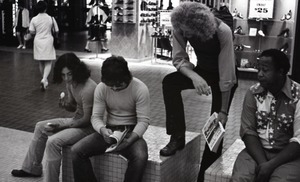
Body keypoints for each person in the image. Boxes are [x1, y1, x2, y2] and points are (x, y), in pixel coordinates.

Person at [157, 2, 237, 182]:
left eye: (188, 32)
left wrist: (223, 111)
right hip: (201, 71)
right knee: (170, 83)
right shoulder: (180, 26)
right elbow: (178, 59)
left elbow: (227, 75)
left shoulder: (222, 31)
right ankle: (177, 137)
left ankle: (204, 176)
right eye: (182, 30)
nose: (184, 34)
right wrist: (194, 76)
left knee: (216, 125)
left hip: (225, 77)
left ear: (200, 26)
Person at [11, 53, 97, 182]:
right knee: (40, 126)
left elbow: (86, 120)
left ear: (77, 70)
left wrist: (62, 126)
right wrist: (65, 105)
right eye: (63, 75)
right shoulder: (71, 83)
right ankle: (32, 168)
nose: (66, 78)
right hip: (76, 120)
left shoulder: (89, 88)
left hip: (89, 127)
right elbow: (74, 107)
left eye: (69, 74)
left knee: (53, 142)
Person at [71, 55, 150, 182]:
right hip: (110, 131)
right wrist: (102, 130)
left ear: (127, 77)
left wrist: (131, 139)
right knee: (76, 151)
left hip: (132, 133)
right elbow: (96, 117)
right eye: (111, 85)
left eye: (118, 85)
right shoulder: (102, 88)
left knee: (140, 156)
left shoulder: (140, 88)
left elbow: (143, 121)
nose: (114, 88)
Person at [231, 49, 300, 182]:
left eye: (265, 70)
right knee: (240, 178)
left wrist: (271, 165)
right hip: (256, 152)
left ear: (281, 72)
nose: (260, 74)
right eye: (259, 69)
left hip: (288, 156)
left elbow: (298, 139)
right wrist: (264, 164)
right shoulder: (253, 93)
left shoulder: (298, 95)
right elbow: (248, 131)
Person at [24, 1, 59, 91]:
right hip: (48, 40)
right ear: (45, 8)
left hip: (38, 41)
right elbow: (57, 30)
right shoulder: (51, 18)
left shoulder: (34, 19)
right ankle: (44, 79)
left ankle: (44, 80)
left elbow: (32, 32)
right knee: (48, 61)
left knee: (41, 62)